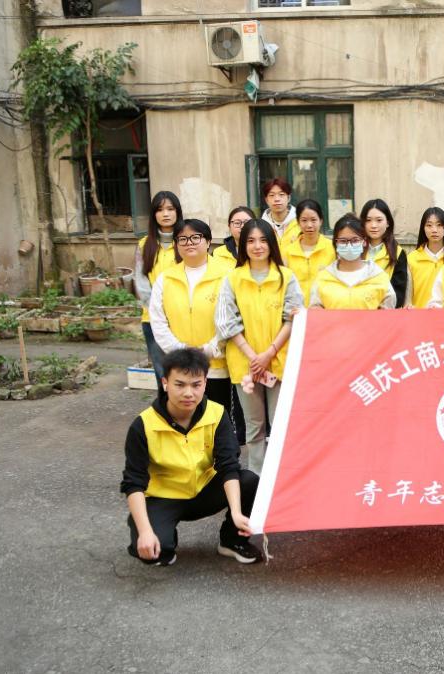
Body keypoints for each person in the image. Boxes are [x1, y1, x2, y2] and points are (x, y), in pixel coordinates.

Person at [120, 348, 260, 566]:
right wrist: (146, 532)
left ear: (205, 383)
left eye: (196, 385)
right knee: (156, 552)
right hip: (164, 497)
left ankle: (232, 541)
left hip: (204, 491)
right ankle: (161, 533)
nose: (188, 393)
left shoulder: (216, 413)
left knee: (250, 480)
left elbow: (228, 466)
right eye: (180, 384)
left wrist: (236, 512)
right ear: (165, 383)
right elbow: (133, 483)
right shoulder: (143, 425)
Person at [215, 219, 304, 474]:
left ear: (272, 243)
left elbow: (292, 318)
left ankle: (281, 478)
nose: (257, 246)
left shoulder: (286, 277)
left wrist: (269, 353)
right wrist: (254, 357)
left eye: (263, 240)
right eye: (251, 241)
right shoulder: (232, 279)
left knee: (281, 424)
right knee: (254, 427)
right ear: (243, 245)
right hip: (246, 365)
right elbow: (227, 322)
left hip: (279, 362)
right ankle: (256, 479)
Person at [149, 218, 236, 420]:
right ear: (176, 244)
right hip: (179, 366)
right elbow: (158, 321)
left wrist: (209, 349)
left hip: (216, 365)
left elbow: (233, 318)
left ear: (208, 241)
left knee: (217, 421)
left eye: (195, 237)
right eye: (183, 239)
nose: (189, 243)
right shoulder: (166, 278)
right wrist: (180, 350)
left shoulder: (227, 275)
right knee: (183, 421)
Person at [134, 191, 183, 381]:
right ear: (154, 214)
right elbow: (142, 284)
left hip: (184, 317)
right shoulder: (144, 245)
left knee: (185, 371)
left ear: (177, 212)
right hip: (153, 320)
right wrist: (159, 312)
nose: (166, 214)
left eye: (170, 209)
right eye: (160, 209)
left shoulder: (186, 242)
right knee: (163, 375)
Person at [309, 215, 396, 310]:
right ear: (336, 243)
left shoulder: (378, 277)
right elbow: (315, 310)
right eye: (343, 241)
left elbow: (387, 313)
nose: (349, 245)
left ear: (364, 241)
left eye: (355, 240)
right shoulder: (323, 278)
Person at [406, 207, 444, 308]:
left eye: (439, 225)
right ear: (423, 228)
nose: (434, 230)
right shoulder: (411, 259)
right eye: (429, 225)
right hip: (419, 315)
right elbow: (407, 299)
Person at [360, 198, 408, 304]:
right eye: (368, 220)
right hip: (358, 310)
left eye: (379, 220)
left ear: (388, 223)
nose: (373, 225)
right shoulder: (356, 250)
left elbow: (399, 295)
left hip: (385, 311)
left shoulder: (398, 253)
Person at [282, 199, 335, 293]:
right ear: (298, 222)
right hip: (297, 302)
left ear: (321, 221)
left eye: (313, 220)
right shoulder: (287, 252)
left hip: (324, 301)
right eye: (304, 220)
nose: (309, 225)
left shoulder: (332, 248)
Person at [260, 178, 299, 247]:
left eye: (281, 194)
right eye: (272, 195)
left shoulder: (300, 222)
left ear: (289, 198)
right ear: (266, 200)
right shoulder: (261, 226)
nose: (277, 199)